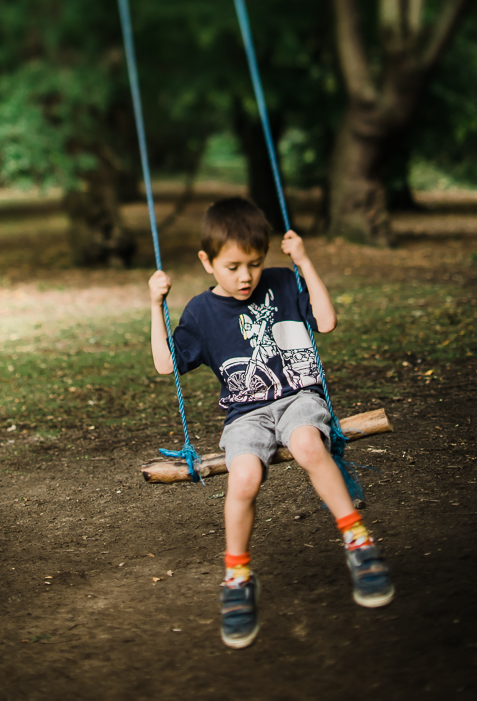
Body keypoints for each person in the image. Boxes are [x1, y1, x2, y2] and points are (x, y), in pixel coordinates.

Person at [148, 197, 394, 650]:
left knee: (307, 444)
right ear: (207, 262)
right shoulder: (202, 312)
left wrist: (302, 261)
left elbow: (326, 319)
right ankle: (237, 576)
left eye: (256, 264)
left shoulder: (282, 282)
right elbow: (166, 365)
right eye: (234, 266)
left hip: (299, 396)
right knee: (242, 478)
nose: (246, 276)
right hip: (246, 414)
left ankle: (358, 542)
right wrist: (154, 303)